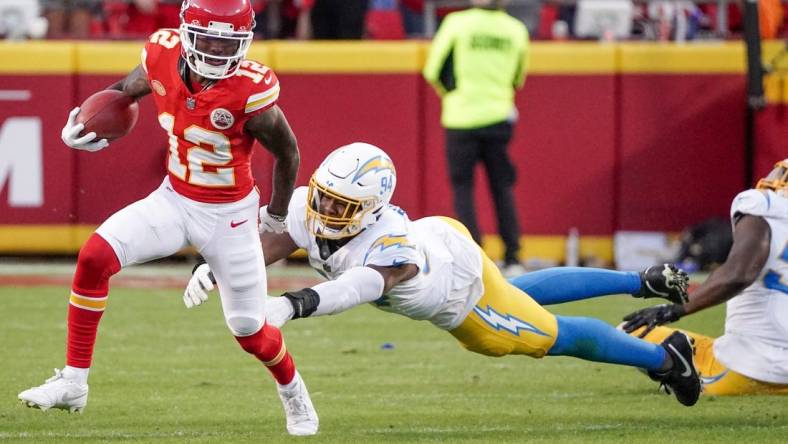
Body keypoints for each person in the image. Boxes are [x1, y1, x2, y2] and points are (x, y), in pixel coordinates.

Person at [186, 142, 703, 407]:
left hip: (456, 295)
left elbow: (360, 287)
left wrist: (294, 304)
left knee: (552, 335)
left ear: (370, 208)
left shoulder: (390, 248)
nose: (323, 209)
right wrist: (217, 267)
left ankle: (666, 357)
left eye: (340, 203)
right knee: (513, 291)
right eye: (323, 194)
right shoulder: (313, 206)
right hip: (447, 238)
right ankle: (641, 280)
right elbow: (267, 243)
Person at [18, 0, 318, 435]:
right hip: (174, 199)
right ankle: (73, 381)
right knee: (94, 258)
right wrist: (84, 123)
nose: (217, 51)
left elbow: (288, 151)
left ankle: (294, 392)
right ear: (187, 33)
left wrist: (274, 214)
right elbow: (126, 90)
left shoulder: (250, 87)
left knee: (250, 330)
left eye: (228, 42)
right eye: (209, 38)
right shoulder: (161, 52)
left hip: (230, 215)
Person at [621, 159, 788, 396]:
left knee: (629, 332)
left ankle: (685, 380)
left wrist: (673, 310)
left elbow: (739, 274)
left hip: (748, 369)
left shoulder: (762, 204)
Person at [423, 0, 529, 278]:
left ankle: (473, 254)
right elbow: (518, 78)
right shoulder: (516, 29)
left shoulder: (457, 23)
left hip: (461, 119)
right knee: (502, 187)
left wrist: (457, 96)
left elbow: (433, 70)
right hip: (498, 116)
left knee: (463, 188)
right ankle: (513, 255)